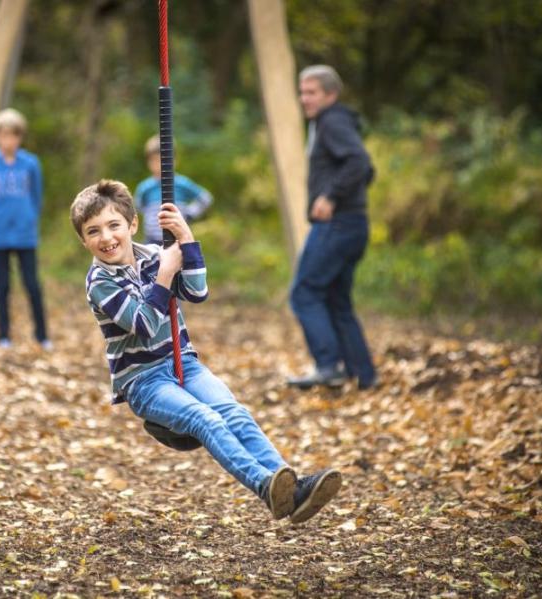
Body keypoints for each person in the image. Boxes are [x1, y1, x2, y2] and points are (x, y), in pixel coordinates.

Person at [70, 179, 342, 523]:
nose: (106, 238)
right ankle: (266, 487)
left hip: (184, 363)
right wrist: (165, 274)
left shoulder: (155, 254)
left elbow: (197, 292)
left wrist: (186, 239)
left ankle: (295, 487)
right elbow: (144, 325)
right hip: (144, 381)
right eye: (93, 231)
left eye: (113, 225)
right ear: (83, 240)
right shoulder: (100, 282)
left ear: (132, 224)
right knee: (205, 419)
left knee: (234, 413)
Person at [287, 65, 378, 391]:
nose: (304, 98)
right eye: (302, 91)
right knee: (337, 299)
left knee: (304, 293)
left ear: (331, 94)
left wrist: (331, 196)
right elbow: (366, 170)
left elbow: (360, 162)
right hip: (353, 223)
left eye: (311, 92)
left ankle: (329, 366)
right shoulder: (331, 123)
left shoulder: (332, 121)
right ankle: (363, 375)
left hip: (338, 225)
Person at [0, 108, 50, 350]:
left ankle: (42, 335)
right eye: (3, 135)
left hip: (25, 234)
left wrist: (29, 218)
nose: (8, 140)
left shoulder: (31, 163)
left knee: (32, 284)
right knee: (2, 286)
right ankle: (3, 335)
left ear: (20, 137)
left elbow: (37, 197)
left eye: (13, 135)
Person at [134, 135, 213, 245]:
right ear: (149, 162)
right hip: (152, 241)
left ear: (174, 160)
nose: (160, 165)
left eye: (164, 160)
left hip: (178, 239)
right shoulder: (145, 187)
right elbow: (138, 206)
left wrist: (190, 213)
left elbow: (205, 198)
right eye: (155, 161)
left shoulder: (182, 184)